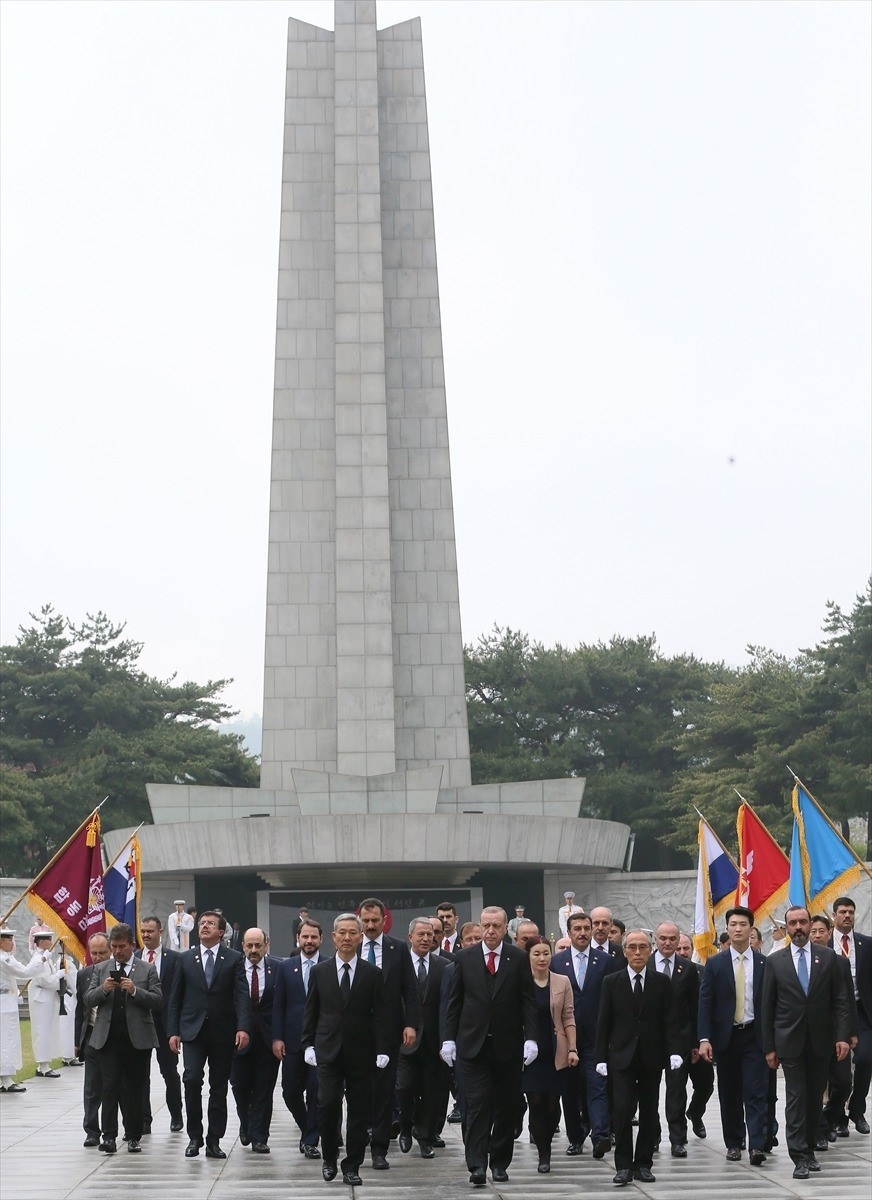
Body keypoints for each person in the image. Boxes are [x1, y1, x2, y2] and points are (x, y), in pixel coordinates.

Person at [442, 906, 537, 1186]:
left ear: (506, 927)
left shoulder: (518, 958)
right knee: (477, 1105)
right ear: (480, 927)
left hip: (508, 1045)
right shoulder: (465, 957)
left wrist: (531, 1038)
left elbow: (527, 1000)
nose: (491, 931)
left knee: (506, 1107)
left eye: (496, 926)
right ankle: (476, 1165)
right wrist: (449, 1038)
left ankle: (499, 1163)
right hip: (473, 1045)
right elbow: (455, 1001)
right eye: (486, 926)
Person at [301, 912, 391, 1186]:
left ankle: (352, 1165)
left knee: (359, 1112)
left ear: (360, 936)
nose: (347, 937)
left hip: (361, 1053)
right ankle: (329, 1157)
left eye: (353, 932)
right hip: (328, 1051)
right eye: (342, 932)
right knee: (327, 1105)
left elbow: (380, 1015)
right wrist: (307, 1044)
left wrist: (383, 1048)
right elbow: (312, 1011)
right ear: (333, 937)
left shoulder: (373, 974)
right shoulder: (320, 971)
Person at [762, 904, 851, 1180]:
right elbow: (768, 1006)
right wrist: (769, 1047)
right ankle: (798, 1155)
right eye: (793, 923)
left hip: (822, 1041)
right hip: (790, 1043)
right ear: (786, 927)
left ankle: (810, 1149)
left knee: (814, 1098)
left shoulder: (828, 958)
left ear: (810, 924)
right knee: (797, 1097)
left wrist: (842, 1037)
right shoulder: (775, 961)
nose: (798, 927)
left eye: (803, 922)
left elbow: (841, 1001)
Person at [595, 928, 682, 1186]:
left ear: (650, 950)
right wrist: (600, 1056)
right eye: (632, 947)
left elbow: (670, 1019)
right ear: (624, 951)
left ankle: (643, 1163)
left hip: (651, 1057)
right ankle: (623, 1166)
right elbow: (604, 1021)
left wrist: (674, 1051)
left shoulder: (660, 981)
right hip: (621, 1057)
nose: (637, 952)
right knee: (621, 1112)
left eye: (642, 947)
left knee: (649, 1112)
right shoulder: (612, 982)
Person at [167, 909, 252, 1159]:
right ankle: (194, 1136)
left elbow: (241, 995)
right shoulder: (185, 959)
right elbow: (175, 998)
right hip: (192, 1031)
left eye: (210, 924)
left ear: (221, 932)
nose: (204, 926)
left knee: (219, 1086)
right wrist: (173, 1031)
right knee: (191, 1079)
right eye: (202, 923)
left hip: (223, 1032)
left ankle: (214, 1139)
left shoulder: (234, 958)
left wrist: (243, 1027)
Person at [697, 905, 769, 1165]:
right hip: (726, 1038)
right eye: (733, 924)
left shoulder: (764, 963)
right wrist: (704, 1038)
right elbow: (705, 1003)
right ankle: (734, 1143)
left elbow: (770, 1003)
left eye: (743, 924)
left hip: (754, 1036)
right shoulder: (715, 964)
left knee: (756, 1092)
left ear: (751, 929)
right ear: (726, 929)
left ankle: (757, 1145)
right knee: (729, 1093)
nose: (738, 929)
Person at [84, 922, 162, 1154]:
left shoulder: (146, 969)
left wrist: (135, 991)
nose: (118, 951)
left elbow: (158, 1001)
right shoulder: (101, 969)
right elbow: (88, 999)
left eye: (122, 947)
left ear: (132, 945)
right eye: (114, 946)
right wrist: (104, 990)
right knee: (109, 1087)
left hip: (137, 1039)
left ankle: (134, 1135)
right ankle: (108, 1136)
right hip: (108, 1039)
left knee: (135, 1089)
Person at [357, 897, 419, 1171]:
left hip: (388, 1032)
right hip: (354, 1032)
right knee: (357, 1090)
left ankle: (379, 1149)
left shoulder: (398, 948)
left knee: (384, 1090)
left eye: (375, 920)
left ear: (384, 920)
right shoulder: (351, 944)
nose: (370, 925)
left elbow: (410, 989)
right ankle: (358, 1140)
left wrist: (410, 1024)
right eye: (366, 920)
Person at [550, 911, 617, 1157]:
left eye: (586, 928)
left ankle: (600, 1135)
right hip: (567, 1039)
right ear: (569, 933)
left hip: (595, 1038)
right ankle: (575, 1137)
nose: (582, 933)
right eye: (577, 928)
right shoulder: (557, 962)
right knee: (570, 1090)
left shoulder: (605, 960)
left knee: (597, 1085)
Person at [397, 917, 451, 1159]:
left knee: (432, 1094)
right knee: (405, 1088)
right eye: (421, 934)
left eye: (430, 935)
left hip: (434, 1041)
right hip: (404, 1041)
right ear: (410, 937)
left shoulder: (444, 965)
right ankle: (406, 1126)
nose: (426, 939)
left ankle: (425, 1136)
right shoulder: (399, 964)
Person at [522, 936, 576, 1173]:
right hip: (529, 1052)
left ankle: (549, 1137)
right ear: (529, 956)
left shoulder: (562, 981)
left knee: (552, 1104)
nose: (542, 958)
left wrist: (573, 1048)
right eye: (537, 953)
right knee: (535, 1101)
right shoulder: (521, 982)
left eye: (546, 953)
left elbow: (568, 1016)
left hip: (556, 1049)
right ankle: (544, 1155)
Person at [272, 917, 325, 1158]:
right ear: (298, 938)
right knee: (289, 1092)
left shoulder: (330, 965)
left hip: (322, 1041)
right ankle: (309, 1127)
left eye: (314, 937)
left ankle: (311, 1140)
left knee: (316, 1091)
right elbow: (278, 1005)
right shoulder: (285, 967)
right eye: (305, 936)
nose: (309, 941)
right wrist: (277, 1038)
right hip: (292, 1041)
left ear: (321, 939)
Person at [811, 913, 858, 1149]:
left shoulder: (840, 961)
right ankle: (818, 1132)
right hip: (811, 1036)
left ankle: (827, 1120)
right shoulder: (800, 962)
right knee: (816, 1086)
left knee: (843, 1084)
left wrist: (851, 1032)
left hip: (837, 1035)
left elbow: (848, 999)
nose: (817, 935)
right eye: (813, 931)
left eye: (821, 931)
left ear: (829, 933)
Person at [652, 921, 700, 1157]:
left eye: (672, 938)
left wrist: (694, 1043)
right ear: (656, 940)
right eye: (663, 938)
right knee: (648, 1091)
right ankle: (652, 1135)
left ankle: (677, 1138)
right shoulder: (645, 964)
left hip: (679, 1040)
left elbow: (694, 1008)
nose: (668, 943)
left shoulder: (687, 968)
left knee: (676, 1091)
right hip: (649, 1039)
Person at [230, 928, 279, 1153]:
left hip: (268, 1040)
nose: (253, 950)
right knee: (239, 1086)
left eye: (258, 946)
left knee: (263, 1088)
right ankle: (246, 1121)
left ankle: (260, 1137)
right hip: (238, 1038)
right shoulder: (234, 968)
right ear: (243, 947)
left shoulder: (278, 968)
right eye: (249, 946)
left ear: (266, 945)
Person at [827, 895, 872, 1136]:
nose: (847, 916)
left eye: (851, 912)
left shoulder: (866, 944)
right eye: (842, 911)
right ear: (833, 915)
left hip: (862, 1012)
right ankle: (838, 1116)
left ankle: (857, 1109)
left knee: (865, 1059)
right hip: (835, 1015)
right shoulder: (824, 946)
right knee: (839, 1069)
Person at [136, 916, 183, 1133]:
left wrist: (176, 1029)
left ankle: (176, 1114)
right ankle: (144, 1119)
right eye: (143, 931)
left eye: (150, 931)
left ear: (160, 932)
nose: (146, 935)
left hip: (166, 1025)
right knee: (140, 1074)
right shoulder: (135, 958)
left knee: (169, 1072)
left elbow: (177, 994)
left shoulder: (174, 959)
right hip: (142, 1024)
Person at [676, 931, 715, 1139]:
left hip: (700, 1041)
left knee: (706, 1085)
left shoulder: (703, 972)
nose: (683, 952)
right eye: (679, 948)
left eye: (686, 948)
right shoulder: (665, 973)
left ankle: (695, 1112)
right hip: (677, 1042)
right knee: (677, 1090)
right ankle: (678, 1134)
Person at [75, 932, 112, 1145]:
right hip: (90, 1036)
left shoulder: (118, 974)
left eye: (102, 953)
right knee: (91, 1086)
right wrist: (76, 1041)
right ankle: (91, 1130)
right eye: (94, 953)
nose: (97, 957)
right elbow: (81, 1010)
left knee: (116, 1085)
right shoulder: (84, 974)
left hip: (113, 1037)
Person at [0, 926, 45, 1092]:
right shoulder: (4, 959)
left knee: (7, 1040)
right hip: (4, 1006)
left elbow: (10, 980)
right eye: (9, 939)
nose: (12, 942)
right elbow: (25, 972)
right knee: (6, 1041)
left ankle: (4, 1078)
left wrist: (16, 993)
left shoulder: (6, 957)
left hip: (7, 1000)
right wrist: (42, 959)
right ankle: (6, 1080)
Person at [29, 930, 63, 1077]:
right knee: (42, 1031)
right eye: (49, 939)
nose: (51, 942)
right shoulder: (38, 959)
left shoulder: (46, 957)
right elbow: (44, 980)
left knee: (48, 1031)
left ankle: (44, 1064)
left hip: (47, 998)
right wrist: (58, 977)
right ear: (42, 942)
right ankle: (43, 1066)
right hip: (41, 998)